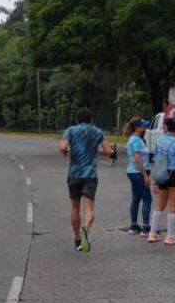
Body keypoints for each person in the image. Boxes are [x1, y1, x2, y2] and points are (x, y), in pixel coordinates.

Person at [59, 108, 113, 253]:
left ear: (77, 119)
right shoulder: (97, 132)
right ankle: (86, 228)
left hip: (74, 174)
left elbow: (63, 147)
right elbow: (108, 152)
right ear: (91, 119)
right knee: (89, 209)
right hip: (90, 175)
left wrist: (66, 152)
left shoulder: (71, 130)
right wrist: (96, 151)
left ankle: (77, 239)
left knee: (75, 207)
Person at [147, 117, 175, 245]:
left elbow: (156, 161)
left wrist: (154, 180)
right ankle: (171, 236)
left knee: (159, 204)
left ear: (166, 127)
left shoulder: (159, 141)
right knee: (173, 205)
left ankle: (152, 233)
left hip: (161, 173)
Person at [125, 117, 153, 236]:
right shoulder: (136, 140)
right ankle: (146, 228)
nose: (145, 127)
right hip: (138, 172)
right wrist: (145, 175)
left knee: (136, 198)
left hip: (133, 172)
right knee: (147, 198)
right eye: (142, 125)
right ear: (137, 128)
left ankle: (134, 225)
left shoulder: (136, 139)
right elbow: (138, 158)